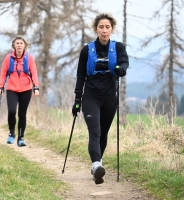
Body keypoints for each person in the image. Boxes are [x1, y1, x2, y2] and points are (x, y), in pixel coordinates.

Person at [72, 13, 129, 184]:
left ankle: (98, 164)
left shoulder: (118, 47)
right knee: (94, 131)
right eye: (101, 27)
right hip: (90, 97)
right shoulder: (86, 50)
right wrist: (77, 100)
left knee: (103, 133)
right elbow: (80, 75)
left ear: (112, 29)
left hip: (110, 97)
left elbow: (124, 63)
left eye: (107, 27)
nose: (104, 30)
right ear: (96, 29)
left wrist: (121, 69)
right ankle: (96, 165)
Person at [0, 35, 39, 147]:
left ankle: (21, 137)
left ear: (25, 45)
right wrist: (1, 87)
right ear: (14, 46)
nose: (19, 45)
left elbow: (34, 73)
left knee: (22, 113)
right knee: (11, 111)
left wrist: (36, 87)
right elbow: (3, 73)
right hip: (12, 88)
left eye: (21, 43)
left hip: (26, 89)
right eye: (17, 43)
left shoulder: (29, 58)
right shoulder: (8, 58)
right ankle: (11, 133)